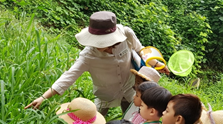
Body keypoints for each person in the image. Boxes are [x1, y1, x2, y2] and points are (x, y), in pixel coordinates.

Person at [25, 11, 169, 116]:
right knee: (94, 121)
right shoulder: (88, 56)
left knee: (131, 119)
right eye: (103, 43)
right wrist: (43, 97)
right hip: (105, 94)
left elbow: (140, 50)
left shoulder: (126, 34)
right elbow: (68, 77)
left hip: (130, 88)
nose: (108, 47)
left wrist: (156, 64)